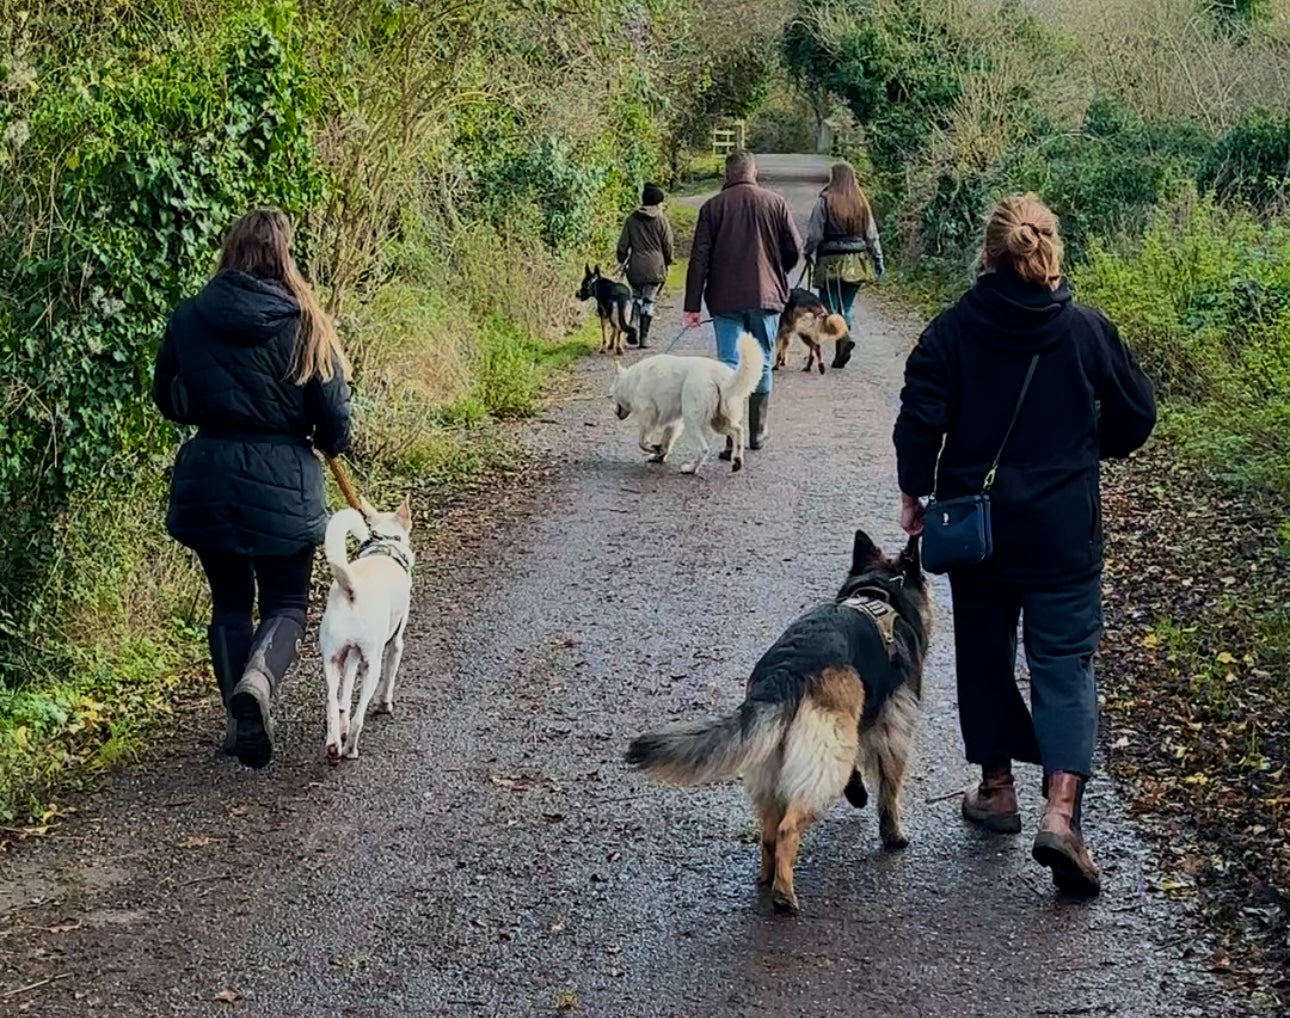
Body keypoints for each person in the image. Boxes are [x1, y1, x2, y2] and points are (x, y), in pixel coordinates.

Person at [893, 194, 1156, 896]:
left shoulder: (951, 330)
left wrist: (914, 491)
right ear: (1050, 250)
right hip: (1065, 531)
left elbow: (920, 414)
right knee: (1065, 664)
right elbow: (1139, 415)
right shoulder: (1087, 331)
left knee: (984, 656)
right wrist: (1087, 449)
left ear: (988, 254)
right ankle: (1062, 815)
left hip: (978, 532)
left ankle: (998, 789)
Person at [152, 209, 352, 770]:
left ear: (230, 251)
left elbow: (167, 397)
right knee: (286, 603)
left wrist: (204, 407)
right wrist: (316, 433)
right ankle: (259, 684)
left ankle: (241, 720)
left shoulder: (190, 318)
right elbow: (335, 421)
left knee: (229, 602)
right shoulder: (307, 323)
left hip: (209, 476)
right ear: (285, 256)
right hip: (284, 481)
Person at [683, 151, 802, 451]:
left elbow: (699, 259)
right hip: (767, 297)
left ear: (727, 175)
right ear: (754, 172)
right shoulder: (775, 203)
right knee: (760, 362)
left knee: (729, 365)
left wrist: (692, 305)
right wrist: (778, 271)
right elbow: (794, 249)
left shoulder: (712, 208)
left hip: (724, 298)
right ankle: (757, 433)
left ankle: (729, 435)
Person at [803, 161, 885, 369]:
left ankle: (844, 338)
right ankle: (843, 343)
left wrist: (807, 251)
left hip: (830, 261)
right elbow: (871, 235)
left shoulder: (825, 201)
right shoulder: (861, 202)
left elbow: (815, 234)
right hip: (857, 262)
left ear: (834, 178)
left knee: (829, 307)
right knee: (846, 307)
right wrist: (878, 260)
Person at [616, 182, 675, 349]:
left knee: (636, 298)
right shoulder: (661, 221)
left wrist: (622, 260)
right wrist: (669, 260)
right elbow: (668, 244)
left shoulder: (631, 220)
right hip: (655, 267)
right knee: (649, 301)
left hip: (635, 267)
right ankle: (644, 338)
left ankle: (633, 324)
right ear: (658, 203)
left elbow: (622, 246)